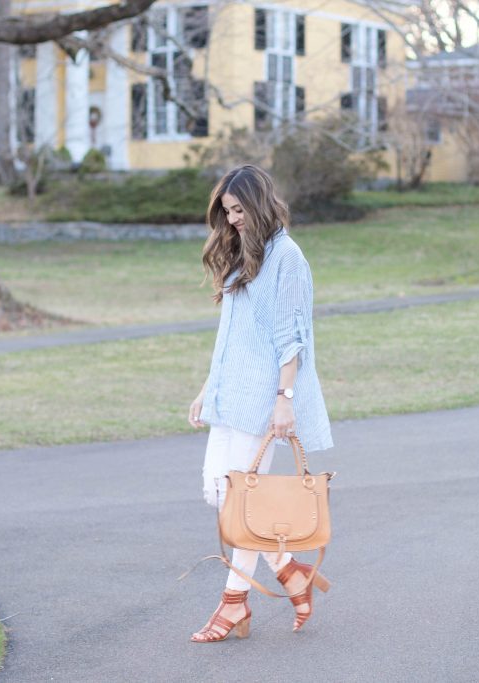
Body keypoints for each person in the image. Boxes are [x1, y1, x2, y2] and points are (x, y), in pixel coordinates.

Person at [187, 164, 333, 643]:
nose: (232, 220)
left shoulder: (286, 256)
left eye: (238, 209)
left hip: (263, 398)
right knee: (218, 492)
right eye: (226, 212)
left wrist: (284, 400)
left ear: (259, 203)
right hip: (230, 393)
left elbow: (292, 337)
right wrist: (209, 387)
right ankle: (288, 568)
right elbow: (231, 335)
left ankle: (234, 604)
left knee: (241, 500)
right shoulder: (243, 253)